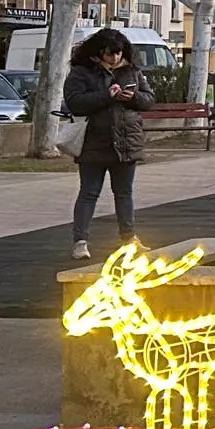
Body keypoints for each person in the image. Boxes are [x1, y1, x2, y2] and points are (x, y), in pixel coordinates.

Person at [64, 28, 155, 260]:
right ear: (98, 52)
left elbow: (148, 100)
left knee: (124, 192)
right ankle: (80, 241)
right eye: (109, 54)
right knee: (89, 192)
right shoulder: (82, 72)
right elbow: (74, 102)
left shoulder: (132, 71)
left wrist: (132, 98)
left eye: (118, 54)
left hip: (126, 142)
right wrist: (107, 96)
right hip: (93, 142)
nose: (115, 58)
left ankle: (129, 238)